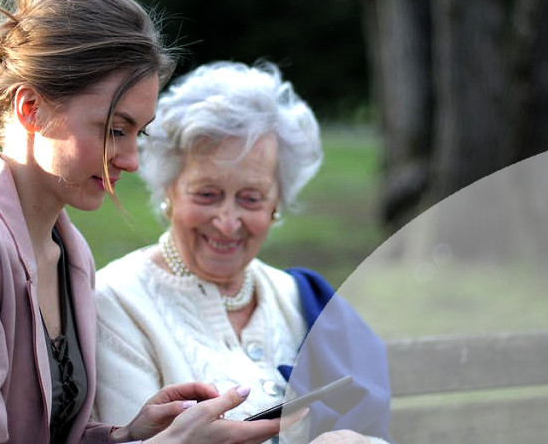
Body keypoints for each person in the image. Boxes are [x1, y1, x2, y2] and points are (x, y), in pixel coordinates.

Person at [0, 0, 293, 444]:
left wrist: (125, 435)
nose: (131, 160)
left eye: (139, 133)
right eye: (114, 130)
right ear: (31, 108)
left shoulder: (69, 251)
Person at [92, 61, 392, 443]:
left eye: (250, 198)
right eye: (207, 194)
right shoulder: (116, 305)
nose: (227, 221)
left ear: (276, 203)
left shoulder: (299, 299)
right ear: (169, 190)